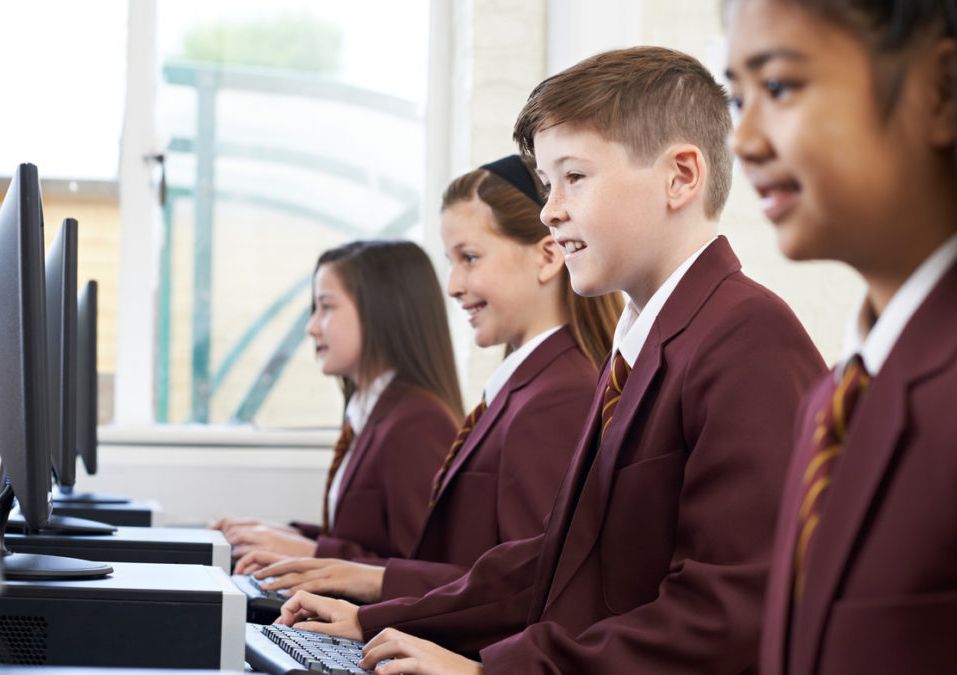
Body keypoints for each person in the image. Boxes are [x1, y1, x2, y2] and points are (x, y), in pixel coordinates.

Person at [274, 46, 827, 674]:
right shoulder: (640, 345)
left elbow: (730, 612)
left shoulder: (747, 337)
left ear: (680, 177)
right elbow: (557, 562)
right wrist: (376, 616)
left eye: (575, 177)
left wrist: (493, 672)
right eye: (547, 183)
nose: (550, 209)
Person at [234, 155, 622, 605]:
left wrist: (367, 594)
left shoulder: (557, 396)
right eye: (451, 262)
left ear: (548, 256)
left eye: (470, 258)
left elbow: (532, 590)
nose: (454, 285)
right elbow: (478, 566)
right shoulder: (525, 389)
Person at [725, 1, 957, 673]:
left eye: (778, 87)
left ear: (940, 91)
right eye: (737, 97)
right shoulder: (833, 397)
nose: (743, 138)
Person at [211, 240, 463, 562]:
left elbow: (424, 573)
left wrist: (312, 553)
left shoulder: (417, 421)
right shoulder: (370, 409)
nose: (311, 327)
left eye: (326, 307)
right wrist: (282, 536)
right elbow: (365, 540)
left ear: (380, 311)